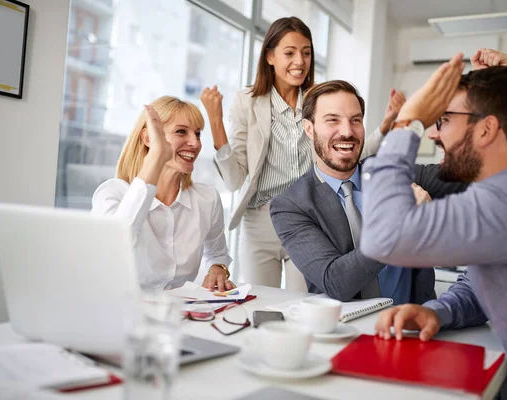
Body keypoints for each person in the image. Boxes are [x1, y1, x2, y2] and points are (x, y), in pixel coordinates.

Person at [360, 51, 507, 399]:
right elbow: (481, 280)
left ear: (487, 129)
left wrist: (407, 123)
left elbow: (383, 237)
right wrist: (437, 313)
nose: (433, 135)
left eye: (443, 120)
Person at [200, 17, 403, 289]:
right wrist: (215, 123)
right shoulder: (247, 101)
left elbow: (347, 152)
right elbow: (234, 179)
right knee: (263, 304)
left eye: (306, 53)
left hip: (309, 219)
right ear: (270, 56)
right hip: (260, 222)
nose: (300, 61)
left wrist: (387, 125)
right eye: (290, 53)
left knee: (306, 303)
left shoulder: (318, 101)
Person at [270, 80, 467, 304]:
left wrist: (499, 93)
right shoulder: (291, 206)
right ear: (309, 129)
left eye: (355, 120)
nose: (347, 132)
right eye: (332, 120)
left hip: (412, 325)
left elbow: (471, 174)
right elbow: (337, 281)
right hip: (346, 332)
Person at [92, 96, 235, 292]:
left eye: (198, 134)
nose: (195, 143)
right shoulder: (112, 194)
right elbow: (115, 245)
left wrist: (218, 269)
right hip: (123, 310)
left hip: (180, 312)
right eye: (181, 132)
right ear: (148, 138)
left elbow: (217, 254)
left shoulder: (207, 199)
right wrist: (157, 156)